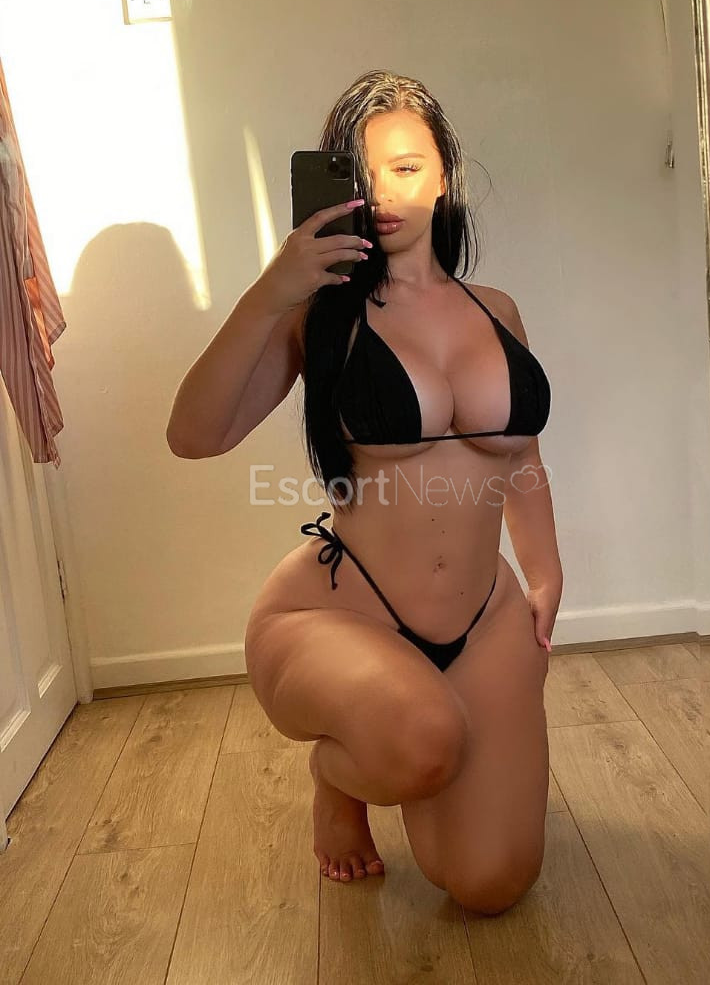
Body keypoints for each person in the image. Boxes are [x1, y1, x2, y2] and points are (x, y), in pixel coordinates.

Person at [166, 69, 563, 917]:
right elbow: (194, 436)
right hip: (343, 613)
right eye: (365, 173)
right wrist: (271, 292)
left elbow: (521, 453)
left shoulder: (498, 310)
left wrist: (545, 570)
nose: (386, 194)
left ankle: (422, 737)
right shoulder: (320, 316)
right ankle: (339, 775)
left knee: (491, 885)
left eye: (407, 168)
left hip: (484, 614)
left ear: (445, 173)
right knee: (421, 744)